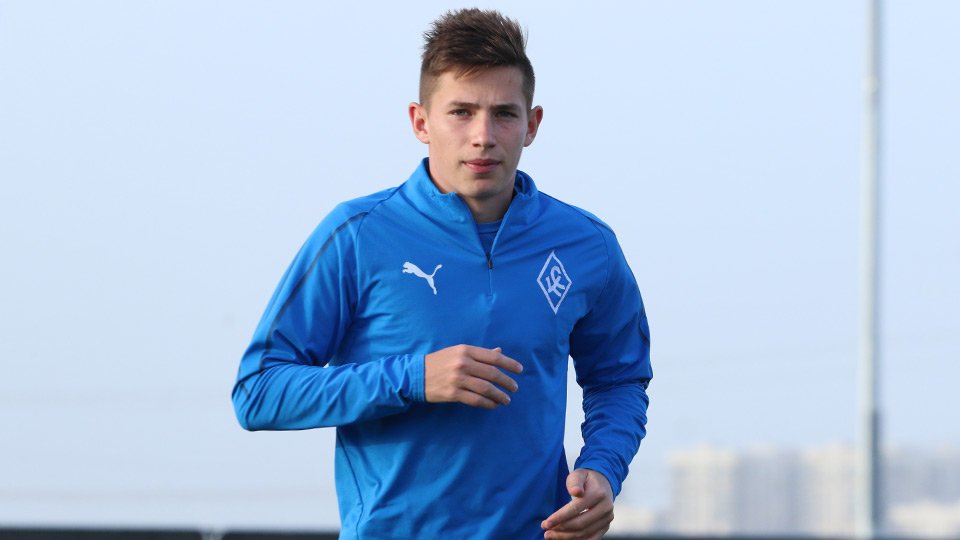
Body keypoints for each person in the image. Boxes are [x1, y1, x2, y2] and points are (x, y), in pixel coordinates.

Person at [232, 8, 652, 540]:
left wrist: (603, 467)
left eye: (504, 113)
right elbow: (259, 391)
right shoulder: (357, 235)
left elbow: (619, 379)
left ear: (532, 124)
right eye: (461, 112)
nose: (483, 136)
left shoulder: (587, 245)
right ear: (420, 121)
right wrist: (413, 379)